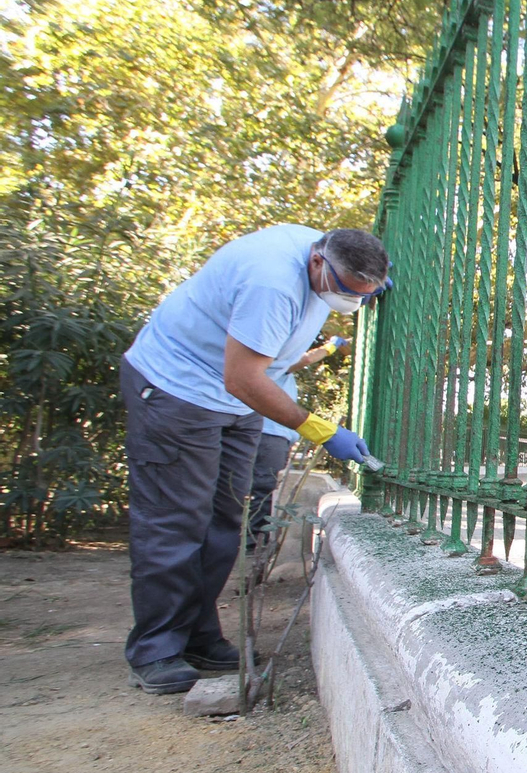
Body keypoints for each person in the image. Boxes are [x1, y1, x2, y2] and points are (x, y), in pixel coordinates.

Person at [121, 226, 388, 695]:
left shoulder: (329, 252)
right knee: (175, 522)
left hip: (234, 405)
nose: (353, 304)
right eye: (348, 293)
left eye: (364, 296)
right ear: (318, 264)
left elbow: (248, 382)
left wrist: (365, 287)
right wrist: (321, 430)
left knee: (225, 523)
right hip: (176, 391)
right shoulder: (271, 282)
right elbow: (242, 377)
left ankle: (199, 637)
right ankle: (157, 647)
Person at [244, 336, 351, 556]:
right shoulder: (268, 363)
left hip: (272, 434)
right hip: (267, 434)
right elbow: (304, 359)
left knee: (262, 488)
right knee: (261, 489)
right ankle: (253, 547)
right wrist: (330, 347)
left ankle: (254, 543)